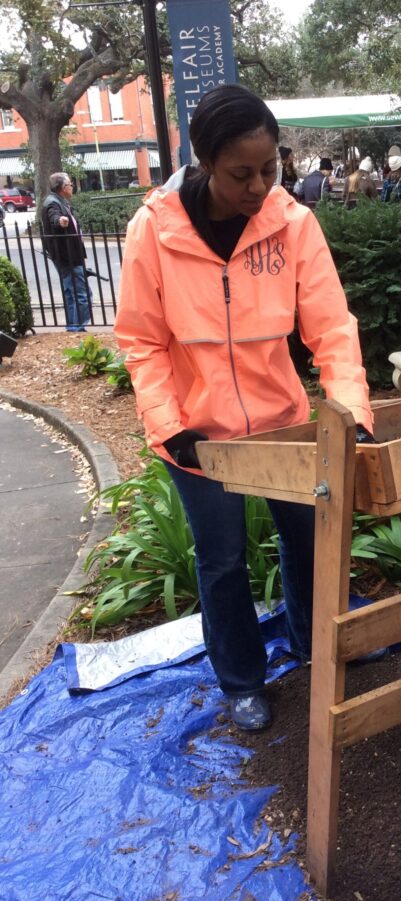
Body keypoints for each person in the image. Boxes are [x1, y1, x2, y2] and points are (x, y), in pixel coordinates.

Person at [114, 85, 375, 733]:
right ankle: (241, 682)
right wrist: (172, 428)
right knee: (223, 559)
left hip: (284, 425)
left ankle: (317, 649)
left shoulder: (292, 225)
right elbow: (142, 340)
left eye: (270, 169)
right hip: (199, 437)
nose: (259, 186)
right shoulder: (156, 230)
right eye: (241, 174)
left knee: (308, 540)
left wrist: (350, 412)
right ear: (203, 160)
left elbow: (331, 330)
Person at [41, 172, 91, 332]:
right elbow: (54, 217)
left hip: (69, 256)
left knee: (72, 292)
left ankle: (74, 326)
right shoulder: (53, 204)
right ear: (63, 188)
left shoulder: (59, 201)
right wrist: (60, 221)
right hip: (67, 257)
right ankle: (78, 328)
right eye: (70, 184)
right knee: (82, 294)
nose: (72, 187)